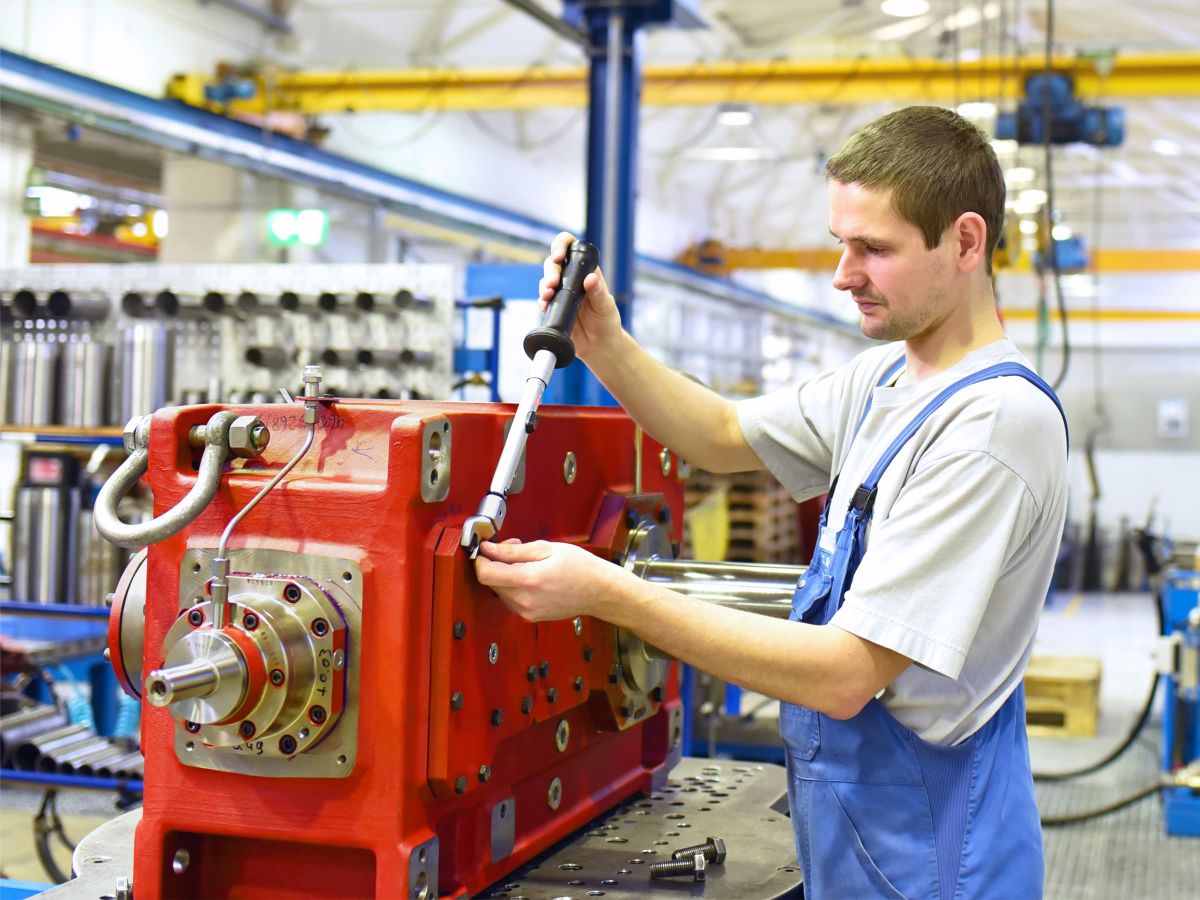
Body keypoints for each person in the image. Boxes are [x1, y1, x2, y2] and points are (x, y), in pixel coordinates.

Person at [475, 106, 1068, 899]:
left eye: (873, 249)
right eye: (840, 243)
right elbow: (722, 434)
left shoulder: (990, 425)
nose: (843, 274)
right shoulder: (888, 377)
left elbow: (845, 675)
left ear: (965, 242)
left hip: (936, 855)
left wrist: (611, 595)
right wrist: (603, 344)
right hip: (865, 832)